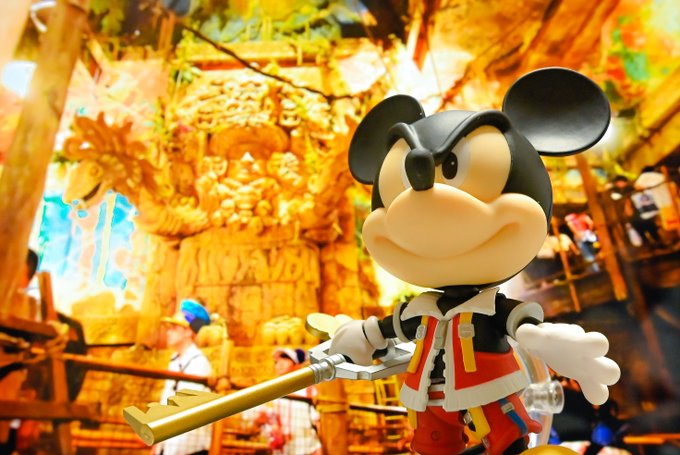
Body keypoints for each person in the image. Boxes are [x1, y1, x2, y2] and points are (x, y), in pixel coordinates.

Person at [155, 299, 213, 455]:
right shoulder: (174, 361)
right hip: (169, 443)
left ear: (188, 332)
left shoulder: (199, 364)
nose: (169, 332)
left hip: (189, 447)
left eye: (174, 328)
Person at [249, 348, 322, 455]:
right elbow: (256, 421)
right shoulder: (269, 391)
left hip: (308, 449)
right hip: (280, 450)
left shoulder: (308, 391)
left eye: (286, 359)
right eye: (277, 361)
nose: (280, 363)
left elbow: (318, 422)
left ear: (297, 365)